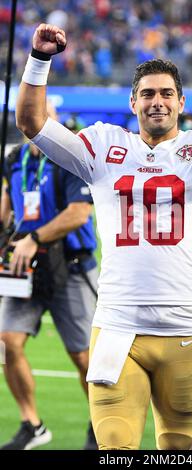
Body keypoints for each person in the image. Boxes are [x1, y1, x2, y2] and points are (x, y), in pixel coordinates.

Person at [15, 23, 192, 450]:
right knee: (116, 453)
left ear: (181, 101)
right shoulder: (104, 147)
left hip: (186, 331)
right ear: (133, 102)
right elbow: (31, 122)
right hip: (118, 328)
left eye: (164, 94)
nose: (156, 102)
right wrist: (40, 59)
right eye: (147, 94)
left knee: (176, 455)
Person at [0, 111, 99, 450]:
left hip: (70, 266)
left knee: (85, 357)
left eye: (43, 118)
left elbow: (79, 212)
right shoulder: (15, 160)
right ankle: (32, 424)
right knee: (8, 342)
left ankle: (101, 425)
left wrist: (35, 238)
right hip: (23, 267)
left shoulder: (69, 158)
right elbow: (6, 209)